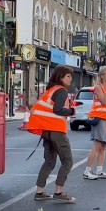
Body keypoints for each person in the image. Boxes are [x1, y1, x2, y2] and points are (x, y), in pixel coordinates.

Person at [28, 65, 77, 203]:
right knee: (67, 161)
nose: (71, 79)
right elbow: (58, 110)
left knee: (49, 161)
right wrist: (72, 111)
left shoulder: (50, 90)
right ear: (60, 77)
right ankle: (58, 192)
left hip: (46, 131)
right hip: (56, 131)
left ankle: (39, 192)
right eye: (68, 76)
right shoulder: (61, 91)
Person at [84, 66, 106, 180]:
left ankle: (99, 170)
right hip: (100, 118)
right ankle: (87, 170)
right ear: (102, 76)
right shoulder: (99, 87)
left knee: (103, 146)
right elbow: (103, 101)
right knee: (97, 145)